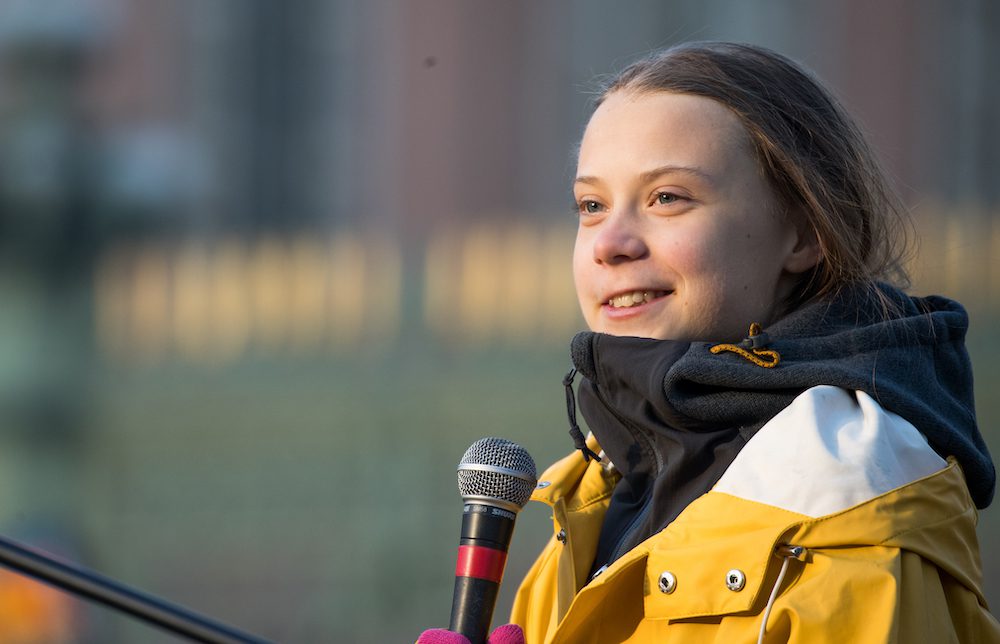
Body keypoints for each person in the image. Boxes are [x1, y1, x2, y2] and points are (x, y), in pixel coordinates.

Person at [422, 41, 1000, 643]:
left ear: (803, 232)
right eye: (591, 205)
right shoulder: (585, 507)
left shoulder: (851, 522)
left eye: (667, 198)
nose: (609, 242)